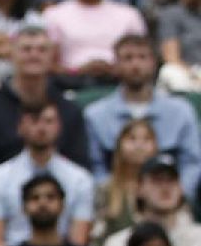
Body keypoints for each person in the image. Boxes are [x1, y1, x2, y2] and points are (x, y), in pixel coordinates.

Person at [0, 26, 89, 202]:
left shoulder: (69, 110)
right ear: (11, 54)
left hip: (60, 201)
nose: (34, 55)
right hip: (0, 200)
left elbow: (80, 164)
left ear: (52, 56)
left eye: (41, 50)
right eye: (26, 49)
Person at [84, 35, 201, 204]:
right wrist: (113, 197)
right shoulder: (96, 115)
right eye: (128, 58)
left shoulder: (181, 111)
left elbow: (192, 162)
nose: (135, 64)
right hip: (115, 203)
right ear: (116, 65)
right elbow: (95, 167)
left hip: (171, 201)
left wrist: (178, 196)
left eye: (142, 57)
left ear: (154, 63)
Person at [0, 100, 93, 246]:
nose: (41, 128)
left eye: (48, 121)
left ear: (59, 126)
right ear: (20, 127)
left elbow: (78, 243)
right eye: (34, 121)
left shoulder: (80, 179)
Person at [100, 154, 201, 246]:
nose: (165, 187)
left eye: (171, 180)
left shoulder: (199, 239)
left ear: (181, 188)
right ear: (139, 188)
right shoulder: (118, 245)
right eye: (157, 181)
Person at [43, 0, 144, 85]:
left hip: (120, 84)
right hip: (68, 85)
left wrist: (116, 69)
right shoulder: (53, 15)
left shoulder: (129, 15)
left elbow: (142, 58)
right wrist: (77, 71)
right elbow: (48, 64)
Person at [92, 118, 157, 245]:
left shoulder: (167, 187)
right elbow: (97, 236)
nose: (139, 145)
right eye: (132, 138)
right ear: (119, 145)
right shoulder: (105, 190)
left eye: (147, 139)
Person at [157, 0, 201, 92]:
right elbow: (171, 57)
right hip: (188, 72)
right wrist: (195, 76)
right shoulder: (173, 14)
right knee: (170, 72)